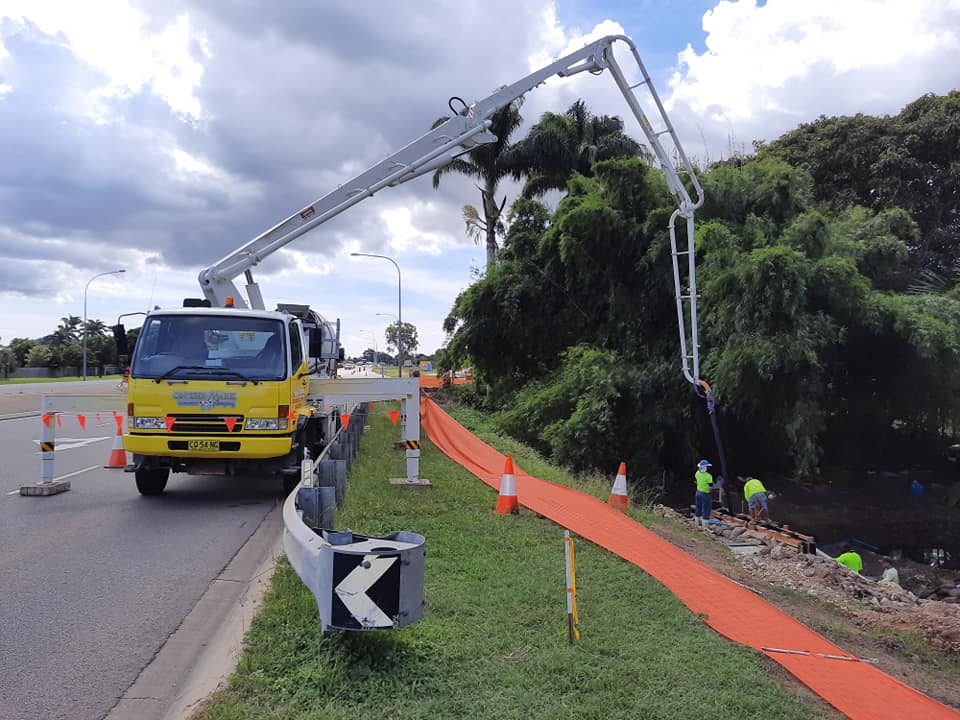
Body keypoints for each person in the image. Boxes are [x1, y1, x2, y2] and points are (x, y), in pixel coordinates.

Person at [694, 459, 713, 530]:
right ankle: (705, 527)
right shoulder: (708, 476)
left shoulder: (697, 473)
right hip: (705, 494)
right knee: (706, 509)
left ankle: (696, 524)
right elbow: (710, 487)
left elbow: (697, 481)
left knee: (698, 507)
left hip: (698, 492)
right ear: (705, 468)